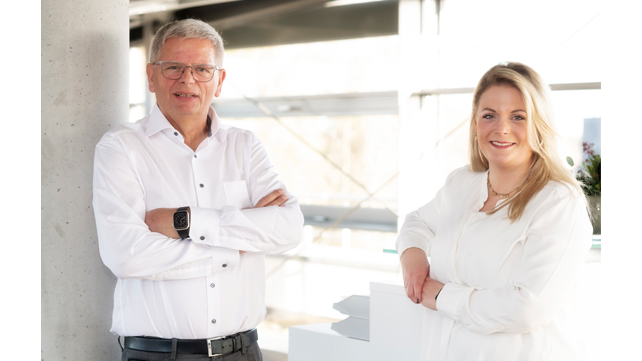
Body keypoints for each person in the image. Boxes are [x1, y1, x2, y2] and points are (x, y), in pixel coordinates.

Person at [92, 19, 304, 361]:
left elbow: (289, 229)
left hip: (243, 352)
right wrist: (235, 245)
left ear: (219, 81)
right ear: (151, 76)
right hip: (158, 356)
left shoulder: (245, 146)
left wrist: (186, 222)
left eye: (202, 69)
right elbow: (126, 255)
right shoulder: (121, 148)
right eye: (173, 67)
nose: (187, 79)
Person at [396, 62, 592, 360]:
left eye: (518, 117)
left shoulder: (558, 203)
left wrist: (440, 296)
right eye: (489, 115)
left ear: (539, 124)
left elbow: (527, 308)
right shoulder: (461, 184)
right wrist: (413, 259)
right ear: (475, 125)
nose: (501, 128)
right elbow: (417, 222)